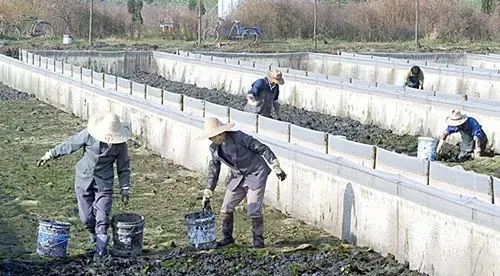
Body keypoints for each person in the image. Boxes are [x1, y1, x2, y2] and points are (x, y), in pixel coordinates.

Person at [37, 112, 132, 256]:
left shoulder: (120, 145)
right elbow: (70, 144)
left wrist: (125, 188)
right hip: (83, 178)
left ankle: (101, 250)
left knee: (102, 217)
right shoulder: (88, 135)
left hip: (104, 183)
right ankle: (93, 235)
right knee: (86, 218)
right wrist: (50, 154)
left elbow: (123, 167)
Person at [200, 117, 287, 248]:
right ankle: (227, 238)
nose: (216, 138)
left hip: (255, 173)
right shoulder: (214, 149)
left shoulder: (239, 137)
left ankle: (258, 241)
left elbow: (261, 148)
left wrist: (275, 165)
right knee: (226, 207)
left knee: (253, 208)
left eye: (218, 134)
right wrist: (208, 191)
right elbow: (214, 169)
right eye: (212, 137)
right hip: (237, 177)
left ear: (223, 132)